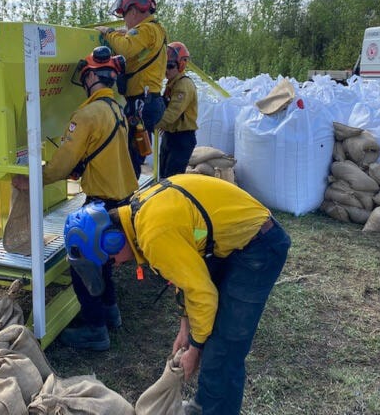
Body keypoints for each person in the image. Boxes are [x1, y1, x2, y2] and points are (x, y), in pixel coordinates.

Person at [63, 174, 291, 415]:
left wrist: (195, 348)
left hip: (258, 247)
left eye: (109, 260)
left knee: (224, 347)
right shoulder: (138, 212)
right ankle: (204, 407)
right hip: (231, 242)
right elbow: (185, 273)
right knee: (213, 340)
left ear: (113, 240)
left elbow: (203, 295)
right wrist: (185, 328)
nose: (115, 265)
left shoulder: (153, 235)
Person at [13, 46, 138, 351]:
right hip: (124, 200)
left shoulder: (86, 114)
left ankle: (96, 330)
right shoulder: (116, 108)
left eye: (85, 77)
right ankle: (111, 312)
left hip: (100, 202)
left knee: (83, 264)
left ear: (93, 76)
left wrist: (33, 180)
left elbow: (61, 165)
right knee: (104, 260)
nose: (83, 83)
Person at [95, 0, 168, 178]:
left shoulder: (145, 29)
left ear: (134, 11)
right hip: (148, 100)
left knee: (131, 156)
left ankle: (127, 199)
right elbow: (135, 49)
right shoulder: (156, 29)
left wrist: (108, 32)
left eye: (125, 15)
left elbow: (126, 48)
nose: (125, 21)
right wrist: (124, 32)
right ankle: (129, 193)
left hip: (141, 103)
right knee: (135, 153)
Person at [156, 41, 198, 178]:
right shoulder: (172, 84)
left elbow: (171, 114)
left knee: (172, 178)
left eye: (170, 66)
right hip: (170, 135)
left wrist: (151, 124)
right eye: (164, 66)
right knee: (163, 175)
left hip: (181, 139)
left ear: (181, 64)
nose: (166, 70)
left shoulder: (183, 85)